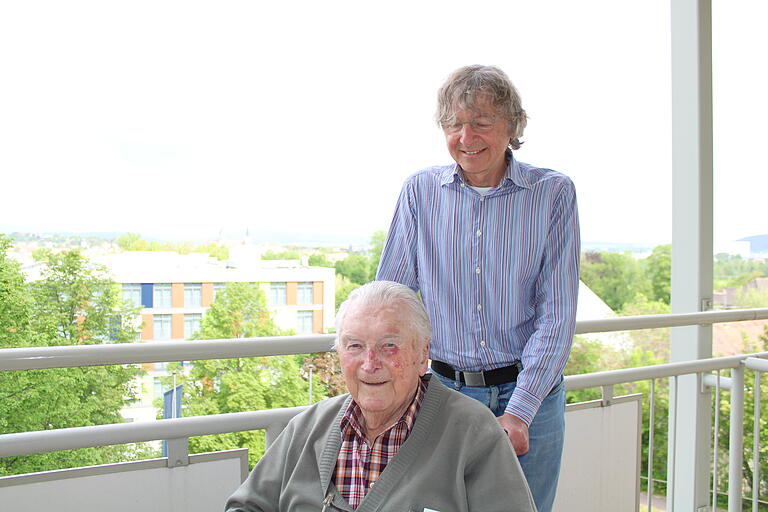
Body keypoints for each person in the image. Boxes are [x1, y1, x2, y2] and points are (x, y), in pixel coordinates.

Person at [376, 64, 580, 511]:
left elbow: (557, 314)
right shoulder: (420, 192)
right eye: (454, 125)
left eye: (482, 123)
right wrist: (389, 385)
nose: (466, 137)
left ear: (512, 126)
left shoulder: (553, 194)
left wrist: (522, 408)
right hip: (444, 394)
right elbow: (392, 299)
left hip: (530, 393)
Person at [225, 280, 536, 512]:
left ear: (422, 354)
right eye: (355, 346)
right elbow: (247, 506)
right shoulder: (308, 428)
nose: (370, 364)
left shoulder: (473, 432)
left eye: (389, 346)